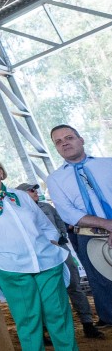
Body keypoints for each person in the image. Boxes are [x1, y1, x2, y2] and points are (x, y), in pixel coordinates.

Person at [0, 155, 77, 350]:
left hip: (47, 262)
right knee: (28, 320)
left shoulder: (23, 196)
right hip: (12, 269)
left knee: (58, 313)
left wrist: (51, 243)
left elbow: (46, 226)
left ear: (1, 171)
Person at [18, 182, 104, 339]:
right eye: (31, 190)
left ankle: (87, 324)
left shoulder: (47, 207)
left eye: (35, 189)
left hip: (60, 250)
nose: (35, 192)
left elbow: (60, 224)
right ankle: (46, 330)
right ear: (22, 195)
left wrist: (58, 239)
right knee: (42, 292)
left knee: (73, 285)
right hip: (38, 256)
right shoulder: (18, 211)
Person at [46, 124, 112, 325]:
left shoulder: (107, 164)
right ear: (56, 148)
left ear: (81, 139)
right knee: (104, 285)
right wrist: (109, 225)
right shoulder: (54, 179)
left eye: (69, 137)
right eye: (58, 141)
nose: (64, 143)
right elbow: (67, 212)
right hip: (89, 236)